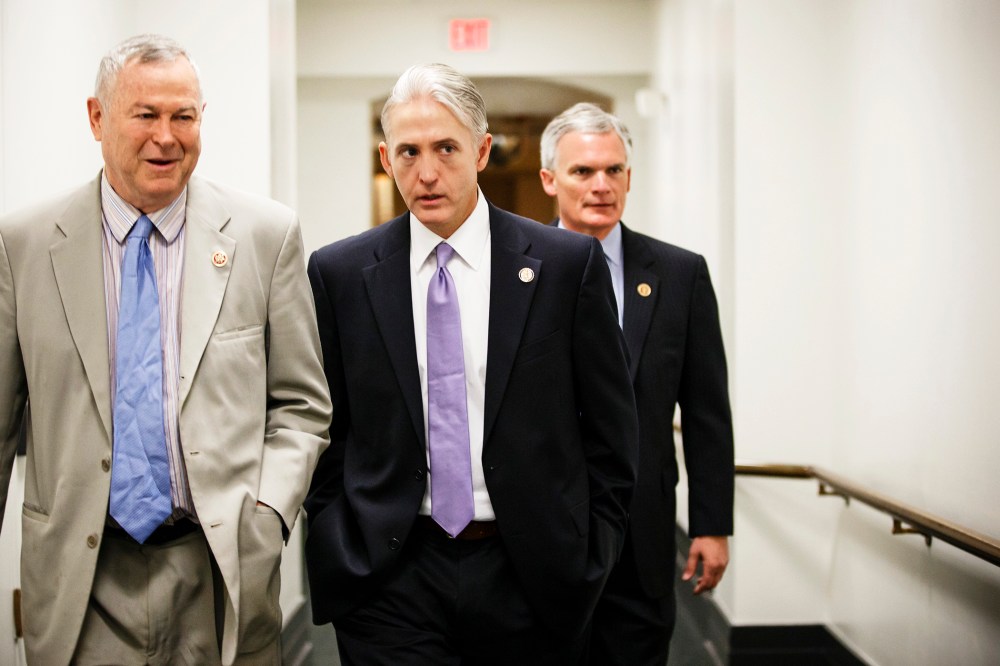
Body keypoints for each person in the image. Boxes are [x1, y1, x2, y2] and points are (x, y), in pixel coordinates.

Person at [0, 34, 331, 665]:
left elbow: (301, 406)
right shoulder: (24, 245)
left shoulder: (264, 236)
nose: (167, 136)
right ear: (97, 117)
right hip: (82, 575)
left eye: (184, 116)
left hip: (217, 569)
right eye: (145, 114)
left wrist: (266, 517)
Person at [304, 64, 638, 664]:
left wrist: (592, 554)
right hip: (391, 574)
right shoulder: (341, 274)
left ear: (482, 151)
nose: (426, 172)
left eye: (446, 149)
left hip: (530, 571)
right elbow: (328, 426)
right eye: (408, 151)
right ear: (385, 157)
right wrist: (338, 539)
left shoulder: (566, 267)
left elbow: (611, 431)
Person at [540, 102, 735, 665]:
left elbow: (706, 411)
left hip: (643, 537)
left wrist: (711, 524)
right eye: (583, 171)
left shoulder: (679, 274)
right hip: (544, 534)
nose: (601, 185)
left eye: (614, 170)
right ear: (550, 179)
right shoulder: (515, 271)